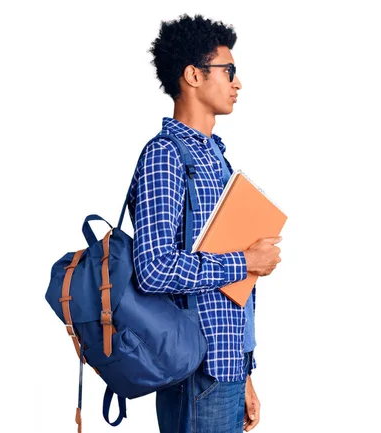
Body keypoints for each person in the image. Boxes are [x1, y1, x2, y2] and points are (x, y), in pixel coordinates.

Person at [125, 14, 282, 433]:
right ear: (194, 75)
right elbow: (155, 268)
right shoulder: (166, 156)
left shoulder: (216, 158)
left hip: (226, 367)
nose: (237, 82)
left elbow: (233, 296)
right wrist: (245, 260)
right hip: (194, 368)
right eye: (228, 71)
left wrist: (245, 371)